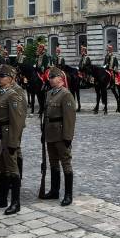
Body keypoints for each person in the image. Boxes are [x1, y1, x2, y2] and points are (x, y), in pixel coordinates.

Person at [0, 65, 27, 215]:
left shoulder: (14, 94)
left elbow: (17, 120)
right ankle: (2, 198)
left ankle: (16, 202)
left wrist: (14, 141)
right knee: (2, 166)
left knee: (12, 166)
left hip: (9, 133)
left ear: (10, 78)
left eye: (2, 76)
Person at [42, 67, 76, 206]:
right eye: (49, 77)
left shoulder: (66, 94)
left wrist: (68, 137)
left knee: (66, 164)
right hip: (50, 133)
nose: (49, 79)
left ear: (60, 79)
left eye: (52, 77)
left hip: (61, 134)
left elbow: (70, 118)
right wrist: (44, 133)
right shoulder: (49, 93)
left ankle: (68, 194)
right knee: (53, 162)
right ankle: (54, 190)